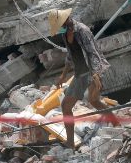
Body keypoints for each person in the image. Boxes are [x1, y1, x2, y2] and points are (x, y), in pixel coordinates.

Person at [48, 8, 120, 149]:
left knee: (94, 101)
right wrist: (63, 75)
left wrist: (96, 74)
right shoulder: (65, 35)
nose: (61, 28)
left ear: (66, 19)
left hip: (93, 70)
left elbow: (93, 53)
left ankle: (117, 124)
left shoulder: (82, 31)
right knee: (66, 106)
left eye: (61, 25)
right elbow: (70, 56)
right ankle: (70, 143)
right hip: (80, 73)